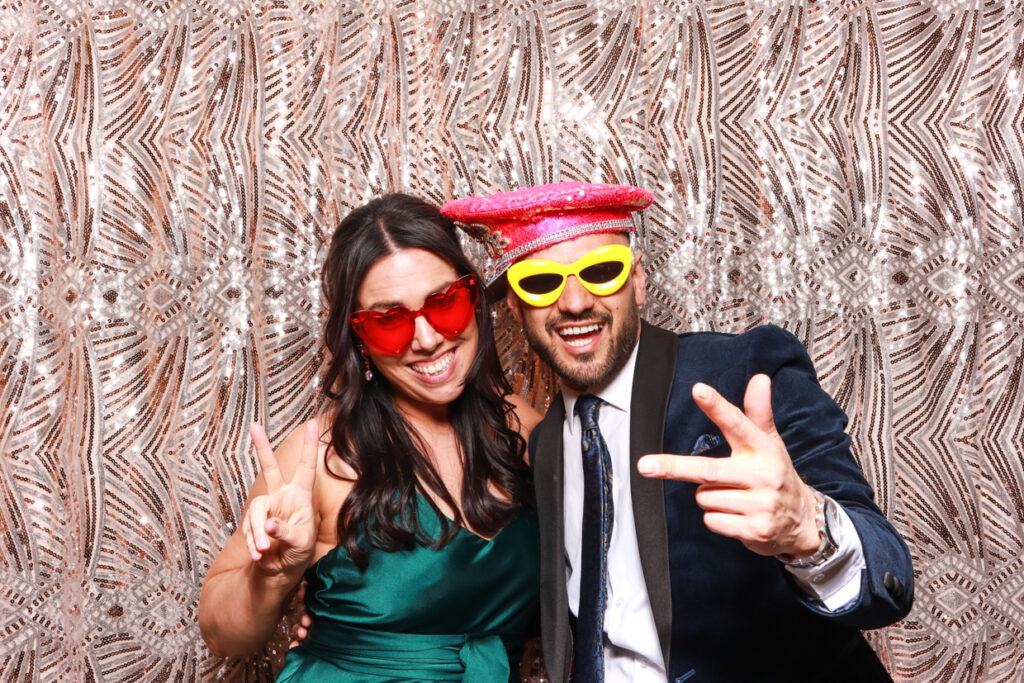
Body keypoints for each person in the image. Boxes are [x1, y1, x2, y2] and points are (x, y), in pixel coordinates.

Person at [441, 182, 915, 682]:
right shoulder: (547, 445)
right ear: (515, 308)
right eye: (541, 284)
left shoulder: (744, 374)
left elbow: (889, 577)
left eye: (602, 273)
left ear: (638, 281)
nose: (576, 302)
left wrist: (805, 528)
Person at [199, 193, 543, 682]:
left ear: (474, 299)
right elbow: (221, 635)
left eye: (444, 303)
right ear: (357, 339)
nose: (426, 339)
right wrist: (272, 575)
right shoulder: (320, 455)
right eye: (389, 321)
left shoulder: (523, 430)